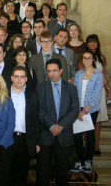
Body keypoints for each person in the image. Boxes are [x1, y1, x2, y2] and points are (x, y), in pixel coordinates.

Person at [37, 58, 79, 186]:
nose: (52, 74)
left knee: (62, 172)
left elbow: (74, 110)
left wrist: (60, 126)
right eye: (49, 71)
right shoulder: (40, 88)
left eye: (54, 70)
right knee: (43, 173)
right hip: (45, 135)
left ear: (61, 71)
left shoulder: (71, 88)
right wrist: (51, 126)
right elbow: (39, 110)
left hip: (64, 135)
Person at [71, 50, 103, 173]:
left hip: (91, 110)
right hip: (78, 109)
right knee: (77, 136)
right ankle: (80, 160)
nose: (86, 60)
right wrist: (76, 109)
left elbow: (96, 96)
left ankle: (88, 160)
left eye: (89, 58)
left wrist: (84, 111)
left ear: (93, 59)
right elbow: (74, 92)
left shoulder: (98, 75)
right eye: (84, 58)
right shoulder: (78, 74)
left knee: (90, 135)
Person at [9, 66, 39, 186]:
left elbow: (36, 121)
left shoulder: (33, 96)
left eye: (22, 77)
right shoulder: (3, 94)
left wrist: (37, 142)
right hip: (7, 139)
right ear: (11, 78)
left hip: (25, 140)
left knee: (22, 174)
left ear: (26, 79)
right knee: (7, 173)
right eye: (16, 76)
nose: (19, 79)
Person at [85, 34, 110, 155]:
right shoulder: (83, 57)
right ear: (87, 43)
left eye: (94, 41)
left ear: (98, 43)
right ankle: (86, 145)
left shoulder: (101, 58)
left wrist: (108, 90)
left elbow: (104, 74)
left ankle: (96, 145)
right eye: (90, 42)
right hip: (88, 91)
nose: (92, 44)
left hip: (99, 92)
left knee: (98, 120)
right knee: (87, 118)